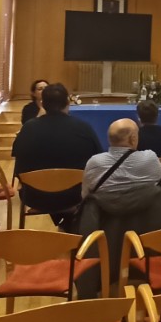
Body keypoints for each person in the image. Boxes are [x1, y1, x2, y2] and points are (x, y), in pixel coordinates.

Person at [12, 82, 103, 225]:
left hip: (34, 196)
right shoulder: (83, 128)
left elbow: (18, 164)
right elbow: (98, 160)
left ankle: (63, 223)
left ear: (42, 103)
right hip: (74, 196)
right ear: (68, 103)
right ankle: (69, 225)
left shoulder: (28, 129)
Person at [82, 118, 161, 206]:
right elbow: (157, 182)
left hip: (104, 217)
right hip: (145, 216)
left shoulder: (94, 163)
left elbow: (85, 195)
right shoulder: (150, 158)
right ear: (133, 139)